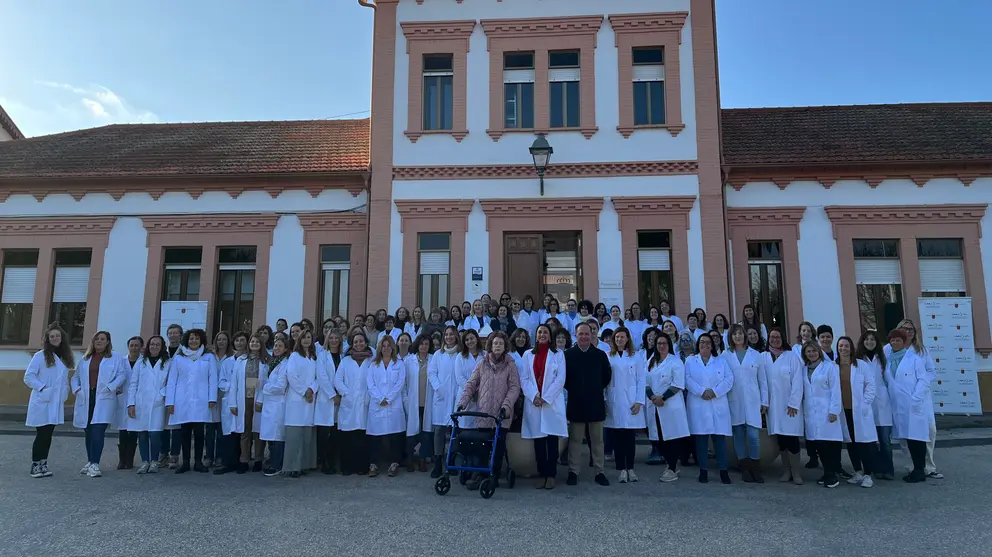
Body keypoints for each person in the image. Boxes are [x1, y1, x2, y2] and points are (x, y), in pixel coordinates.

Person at [458, 331, 522, 489]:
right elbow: (471, 384)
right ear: (490, 346)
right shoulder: (482, 363)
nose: (498, 346)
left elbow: (514, 388)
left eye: (501, 343)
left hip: (502, 414)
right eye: (495, 343)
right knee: (482, 446)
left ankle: (494, 475)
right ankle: (481, 475)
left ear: (505, 345)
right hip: (484, 412)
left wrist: (506, 406)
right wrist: (462, 402)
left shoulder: (511, 365)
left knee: (498, 446)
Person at [564, 322, 612, 487]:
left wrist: (594, 388)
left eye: (587, 334)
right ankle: (573, 472)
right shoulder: (568, 355)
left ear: (592, 335)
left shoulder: (600, 355)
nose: (584, 336)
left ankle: (599, 472)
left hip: (595, 403)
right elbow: (565, 380)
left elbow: (606, 377)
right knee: (575, 441)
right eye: (581, 334)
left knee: (597, 441)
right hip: (576, 403)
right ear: (575, 335)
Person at [72, 331, 125, 478]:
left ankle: (95, 463)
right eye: (97, 339)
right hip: (86, 396)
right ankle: (90, 462)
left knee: (97, 430)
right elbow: (75, 377)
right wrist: (77, 390)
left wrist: (110, 387)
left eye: (103, 339)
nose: (99, 341)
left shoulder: (115, 357)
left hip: (104, 396)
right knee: (88, 431)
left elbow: (122, 375)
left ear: (108, 342)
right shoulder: (85, 358)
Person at [165, 328, 219, 474]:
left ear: (201, 340)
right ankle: (186, 462)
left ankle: (198, 462)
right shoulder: (179, 358)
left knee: (200, 433)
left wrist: (212, 398)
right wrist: (170, 401)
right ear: (186, 341)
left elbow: (213, 379)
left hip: (202, 400)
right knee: (185, 432)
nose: (193, 341)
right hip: (182, 400)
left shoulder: (208, 357)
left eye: (196, 338)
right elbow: (172, 381)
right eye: (191, 339)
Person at [894, 319, 942, 480]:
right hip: (900, 399)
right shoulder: (890, 349)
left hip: (920, 398)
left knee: (928, 432)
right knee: (905, 435)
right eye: (904, 329)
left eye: (911, 329)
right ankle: (912, 466)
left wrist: (919, 387)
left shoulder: (921, 351)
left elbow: (931, 372)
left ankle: (929, 467)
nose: (908, 332)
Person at [24, 325, 75, 478]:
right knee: (42, 434)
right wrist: (43, 388)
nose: (54, 338)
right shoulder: (40, 356)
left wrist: (64, 393)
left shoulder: (64, 357)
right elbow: (29, 377)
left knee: (48, 434)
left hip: (55, 402)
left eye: (57, 336)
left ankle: (44, 463)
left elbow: (64, 379)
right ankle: (35, 465)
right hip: (42, 400)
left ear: (62, 338)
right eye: (51, 336)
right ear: (47, 339)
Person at [520, 325, 566, 489]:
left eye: (545, 332)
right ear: (536, 335)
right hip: (534, 403)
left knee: (551, 441)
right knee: (538, 441)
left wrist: (546, 398)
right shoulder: (527, 354)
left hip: (550, 403)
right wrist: (534, 396)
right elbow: (524, 378)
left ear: (550, 335)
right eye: (540, 332)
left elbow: (560, 379)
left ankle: (551, 474)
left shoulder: (558, 354)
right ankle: (542, 473)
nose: (542, 334)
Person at [885, 328, 934, 483]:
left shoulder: (914, 359)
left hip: (913, 404)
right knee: (907, 439)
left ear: (904, 341)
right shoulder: (887, 360)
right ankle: (914, 469)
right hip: (898, 406)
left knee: (917, 439)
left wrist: (916, 398)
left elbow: (924, 379)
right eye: (892, 340)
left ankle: (920, 470)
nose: (895, 342)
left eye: (898, 340)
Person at [685, 334, 733, 484]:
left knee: (719, 440)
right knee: (701, 440)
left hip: (717, 403)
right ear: (698, 345)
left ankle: (723, 471)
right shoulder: (690, 361)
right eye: (702, 342)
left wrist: (715, 392)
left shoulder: (721, 361)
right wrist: (701, 392)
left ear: (712, 345)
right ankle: (703, 470)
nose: (704, 345)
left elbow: (729, 379)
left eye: (707, 342)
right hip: (698, 403)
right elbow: (687, 379)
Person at [723, 324, 768, 483]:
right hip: (734, 401)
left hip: (753, 401)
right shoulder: (725, 355)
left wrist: (765, 401)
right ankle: (744, 468)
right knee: (739, 436)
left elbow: (762, 381)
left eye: (740, 334)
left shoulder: (756, 355)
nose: (738, 337)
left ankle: (756, 467)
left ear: (745, 336)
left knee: (753, 436)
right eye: (734, 334)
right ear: (731, 337)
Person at [646, 333, 690, 483]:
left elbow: (678, 384)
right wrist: (652, 397)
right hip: (655, 405)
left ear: (669, 345)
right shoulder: (651, 361)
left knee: (672, 438)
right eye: (658, 343)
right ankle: (669, 464)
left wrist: (662, 397)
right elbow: (644, 382)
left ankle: (672, 468)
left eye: (664, 343)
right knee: (659, 438)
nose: (661, 346)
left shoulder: (675, 361)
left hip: (670, 405)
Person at [762, 328, 805, 485]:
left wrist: (794, 402)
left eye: (777, 337)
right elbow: (762, 383)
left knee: (792, 439)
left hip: (789, 406)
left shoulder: (791, 357)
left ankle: (796, 472)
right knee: (781, 440)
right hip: (773, 407)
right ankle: (786, 471)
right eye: (772, 337)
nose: (774, 340)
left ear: (783, 339)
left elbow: (798, 381)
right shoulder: (764, 357)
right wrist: (764, 403)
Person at [836, 336, 878, 488]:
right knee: (851, 443)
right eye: (840, 346)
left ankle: (868, 474)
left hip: (859, 411)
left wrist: (865, 404)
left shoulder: (861, 365)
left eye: (846, 346)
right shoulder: (834, 367)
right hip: (843, 411)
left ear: (851, 348)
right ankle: (857, 472)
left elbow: (870, 386)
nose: (843, 349)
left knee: (864, 443)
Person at [604, 326, 645, 484]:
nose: (619, 340)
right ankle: (621, 469)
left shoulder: (636, 357)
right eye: (617, 337)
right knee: (618, 436)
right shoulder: (608, 356)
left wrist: (639, 401)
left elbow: (641, 380)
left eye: (622, 337)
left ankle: (631, 469)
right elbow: (605, 381)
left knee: (629, 437)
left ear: (627, 339)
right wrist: (606, 401)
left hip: (631, 401)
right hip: (615, 401)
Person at [800, 340, 843, 488]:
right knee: (819, 444)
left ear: (819, 351)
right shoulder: (804, 369)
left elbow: (836, 390)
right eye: (808, 352)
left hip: (827, 411)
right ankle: (827, 473)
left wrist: (834, 410)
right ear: (805, 354)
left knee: (829, 444)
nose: (811, 354)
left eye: (814, 351)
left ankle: (832, 475)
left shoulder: (830, 367)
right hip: (811, 412)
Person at [126, 335, 170, 474]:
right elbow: (133, 384)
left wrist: (161, 395)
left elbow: (171, 383)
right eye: (152, 344)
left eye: (157, 344)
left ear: (162, 347)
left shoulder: (168, 362)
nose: (154, 347)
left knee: (155, 434)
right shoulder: (141, 362)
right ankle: (145, 461)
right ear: (148, 346)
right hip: (141, 402)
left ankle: (155, 461)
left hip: (158, 403)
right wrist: (131, 404)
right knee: (142, 433)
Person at [366, 335, 407, 477]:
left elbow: (400, 383)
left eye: (388, 345)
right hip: (377, 404)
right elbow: (370, 383)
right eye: (383, 346)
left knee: (395, 437)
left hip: (393, 403)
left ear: (392, 347)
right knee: (375, 437)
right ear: (379, 348)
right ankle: (374, 464)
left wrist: (388, 398)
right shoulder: (373, 364)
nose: (386, 348)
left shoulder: (399, 363)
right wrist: (379, 398)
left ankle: (394, 463)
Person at [856, 330, 893, 480]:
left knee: (885, 440)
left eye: (873, 339)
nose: (869, 342)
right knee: (871, 441)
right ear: (862, 341)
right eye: (866, 339)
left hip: (883, 403)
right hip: (865, 404)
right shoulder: (858, 359)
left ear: (877, 342)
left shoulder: (883, 359)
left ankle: (888, 469)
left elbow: (889, 380)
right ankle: (875, 469)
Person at [282, 329, 318, 478]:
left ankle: (304, 465)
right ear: (299, 340)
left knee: (307, 434)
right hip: (297, 398)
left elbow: (318, 376)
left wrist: (312, 389)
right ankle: (292, 466)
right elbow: (291, 376)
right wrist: (305, 391)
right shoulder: (295, 356)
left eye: (309, 337)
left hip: (310, 399)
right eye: (304, 338)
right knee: (295, 435)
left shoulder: (314, 358)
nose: (306, 340)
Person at [335, 330, 373, 476]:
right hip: (349, 403)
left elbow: (374, 380)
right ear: (351, 344)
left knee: (362, 438)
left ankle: (362, 467)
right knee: (348, 438)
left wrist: (369, 396)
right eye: (355, 342)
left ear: (366, 343)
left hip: (365, 402)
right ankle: (347, 467)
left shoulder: (371, 360)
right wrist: (346, 393)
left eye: (361, 341)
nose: (358, 344)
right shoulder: (346, 361)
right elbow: (338, 380)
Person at [427, 326, 463, 477]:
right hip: (441, 397)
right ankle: (438, 463)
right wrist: (438, 387)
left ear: (456, 336)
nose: (448, 337)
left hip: (456, 396)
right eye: (446, 335)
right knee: (439, 431)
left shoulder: (461, 354)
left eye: (451, 334)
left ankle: (452, 461)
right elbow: (432, 373)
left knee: (455, 430)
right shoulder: (438, 354)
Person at [260, 337, 291, 476]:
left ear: (285, 349)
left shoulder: (285, 364)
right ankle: (272, 459)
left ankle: (277, 464)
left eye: (280, 346)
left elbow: (280, 387)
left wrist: (264, 387)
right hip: (270, 404)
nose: (277, 348)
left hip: (278, 404)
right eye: (275, 345)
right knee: (271, 435)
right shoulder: (273, 363)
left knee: (278, 436)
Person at [315, 330, 342, 474]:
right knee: (324, 435)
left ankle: (333, 462)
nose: (334, 340)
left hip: (340, 399)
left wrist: (341, 394)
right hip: (326, 399)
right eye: (331, 338)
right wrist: (333, 395)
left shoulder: (343, 356)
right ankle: (324, 463)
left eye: (336, 338)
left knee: (336, 435)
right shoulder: (322, 356)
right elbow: (322, 377)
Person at [406, 334, 433, 472]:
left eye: (427, 344)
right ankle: (410, 459)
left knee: (426, 433)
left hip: (427, 402)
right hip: (412, 402)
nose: (424, 347)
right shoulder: (409, 360)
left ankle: (423, 459)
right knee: (411, 433)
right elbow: (404, 383)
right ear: (418, 345)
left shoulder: (433, 360)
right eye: (422, 344)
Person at [116, 336, 143, 470]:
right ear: (128, 347)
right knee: (122, 430)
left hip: (137, 400)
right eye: (132, 345)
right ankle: (122, 460)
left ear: (141, 347)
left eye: (137, 345)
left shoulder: (144, 362)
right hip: (122, 398)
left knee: (133, 431)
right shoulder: (121, 361)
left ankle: (129, 460)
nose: (134, 348)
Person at [207, 331, 233, 468]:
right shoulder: (209, 356)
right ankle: (209, 456)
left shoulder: (232, 357)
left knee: (222, 429)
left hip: (225, 396)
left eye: (224, 339)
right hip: (211, 396)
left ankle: (220, 456)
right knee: (210, 429)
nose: (221, 342)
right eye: (219, 339)